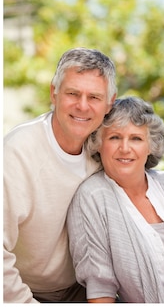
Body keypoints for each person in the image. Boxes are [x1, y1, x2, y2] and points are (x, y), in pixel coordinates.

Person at [67, 96, 164, 302]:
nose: (125, 148)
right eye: (115, 137)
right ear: (98, 143)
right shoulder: (92, 197)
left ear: (150, 146)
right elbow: (100, 289)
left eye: (136, 138)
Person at [4, 48, 117, 302]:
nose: (83, 106)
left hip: (89, 289)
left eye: (95, 97)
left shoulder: (104, 145)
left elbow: (141, 179)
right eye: (73, 93)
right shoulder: (17, 152)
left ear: (110, 103)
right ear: (53, 94)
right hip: (28, 292)